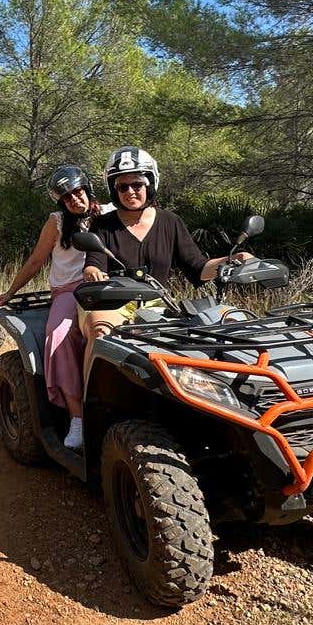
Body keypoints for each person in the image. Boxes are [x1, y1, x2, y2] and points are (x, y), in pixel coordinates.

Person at [70, 147, 252, 450]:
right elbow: (93, 262)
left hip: (158, 303)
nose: (131, 192)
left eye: (137, 184)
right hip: (110, 300)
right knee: (103, 333)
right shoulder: (104, 225)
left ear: (151, 184)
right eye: (122, 186)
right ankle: (93, 414)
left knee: (207, 338)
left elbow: (197, 267)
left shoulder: (169, 221)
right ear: (114, 189)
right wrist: (92, 272)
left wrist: (229, 261)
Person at [0, 166, 107, 445]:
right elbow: (36, 260)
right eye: (68, 197)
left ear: (87, 189)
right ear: (61, 202)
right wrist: (10, 291)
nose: (75, 199)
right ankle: (77, 417)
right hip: (69, 290)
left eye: (78, 192)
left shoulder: (107, 213)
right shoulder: (57, 222)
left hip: (105, 288)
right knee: (58, 336)